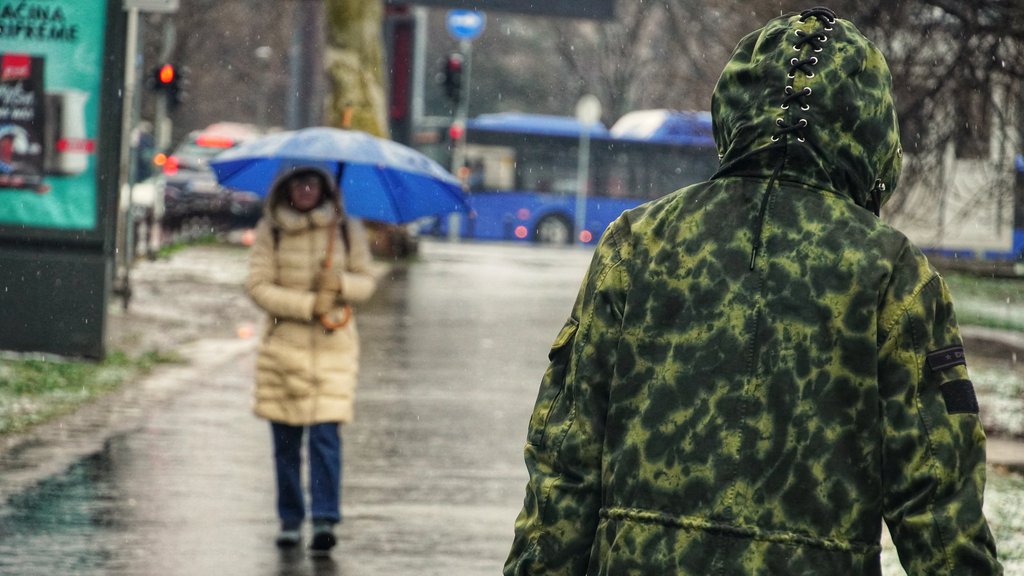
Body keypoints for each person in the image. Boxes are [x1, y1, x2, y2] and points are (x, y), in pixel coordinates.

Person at [505, 7, 1002, 575]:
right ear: (871, 130)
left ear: (733, 111)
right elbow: (939, 503)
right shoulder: (892, 273)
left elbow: (565, 462)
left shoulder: (637, 244)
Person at [245, 166, 377, 554]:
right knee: (286, 444)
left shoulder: (346, 229)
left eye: (313, 183)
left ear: (324, 189)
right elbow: (257, 286)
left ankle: (324, 518)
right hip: (282, 351)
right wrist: (306, 304)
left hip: (333, 348)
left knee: (325, 439)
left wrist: (340, 285)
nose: (305, 189)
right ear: (286, 187)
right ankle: (290, 519)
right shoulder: (271, 229)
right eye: (299, 183)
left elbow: (367, 281)